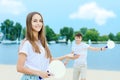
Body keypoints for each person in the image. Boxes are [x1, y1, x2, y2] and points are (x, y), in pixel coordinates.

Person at [17, 12, 79, 80]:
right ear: (29, 23)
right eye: (35, 21)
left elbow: (50, 61)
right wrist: (39, 73)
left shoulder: (43, 43)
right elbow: (19, 68)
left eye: (40, 21)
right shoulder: (26, 43)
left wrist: (67, 56)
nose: (38, 23)